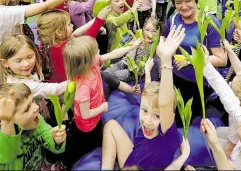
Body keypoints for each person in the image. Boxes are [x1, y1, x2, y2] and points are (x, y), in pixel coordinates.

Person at [101, 25, 184, 170]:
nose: (147, 121)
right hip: (132, 160)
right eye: (144, 111)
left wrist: (166, 61)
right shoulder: (149, 125)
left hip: (138, 167)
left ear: (168, 117)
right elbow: (148, 95)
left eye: (157, 116)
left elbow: (164, 103)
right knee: (110, 125)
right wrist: (146, 71)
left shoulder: (169, 135)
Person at [62, 36, 141, 166]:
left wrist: (132, 47)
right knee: (83, 145)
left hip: (96, 117)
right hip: (86, 126)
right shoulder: (84, 87)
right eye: (96, 52)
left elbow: (113, 54)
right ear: (86, 61)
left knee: (96, 135)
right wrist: (102, 108)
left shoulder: (93, 65)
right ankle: (66, 163)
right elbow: (85, 113)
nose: (99, 53)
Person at [165, 0, 227, 126]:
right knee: (168, 114)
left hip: (199, 82)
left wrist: (190, 59)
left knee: (182, 121)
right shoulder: (174, 19)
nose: (184, 6)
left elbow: (222, 59)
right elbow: (168, 42)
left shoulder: (209, 23)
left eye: (188, 1)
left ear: (195, 0)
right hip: (175, 76)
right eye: (179, 2)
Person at [0, 84, 67, 170]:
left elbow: (49, 138)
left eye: (33, 101)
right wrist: (7, 123)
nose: (37, 107)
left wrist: (56, 140)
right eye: (27, 109)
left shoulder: (37, 121)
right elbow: (8, 155)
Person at [104, 17, 160, 83]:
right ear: (143, 30)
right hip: (127, 62)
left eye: (154, 31)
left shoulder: (155, 47)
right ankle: (102, 76)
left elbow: (154, 63)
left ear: (158, 33)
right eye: (147, 30)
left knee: (115, 75)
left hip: (134, 71)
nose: (150, 33)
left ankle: (106, 79)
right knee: (109, 70)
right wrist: (131, 50)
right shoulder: (139, 39)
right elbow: (131, 51)